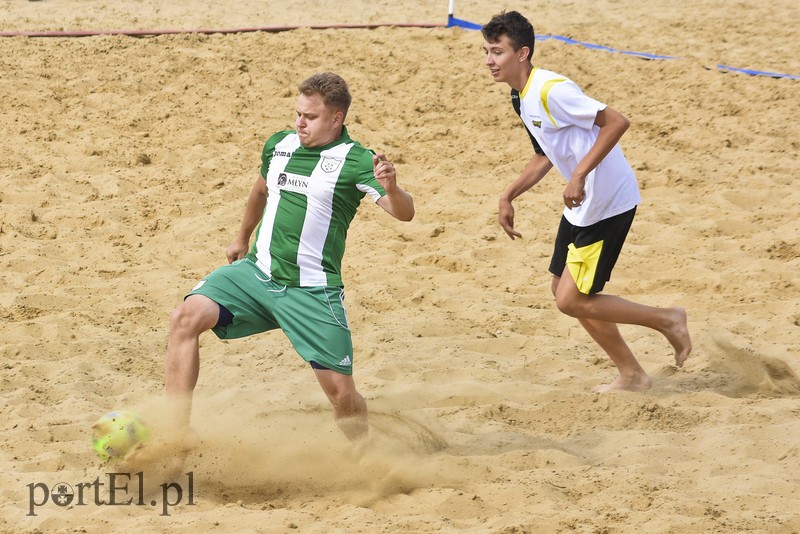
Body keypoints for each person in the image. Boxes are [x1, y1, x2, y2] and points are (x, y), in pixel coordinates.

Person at [163, 72, 415, 443]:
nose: (300, 123)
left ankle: (365, 455)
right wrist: (241, 237)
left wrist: (393, 189)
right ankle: (174, 434)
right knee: (185, 317)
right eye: (298, 113)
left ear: (336, 119)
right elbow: (262, 189)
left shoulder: (357, 160)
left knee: (342, 396)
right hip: (257, 273)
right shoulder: (280, 145)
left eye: (310, 117)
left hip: (311, 290)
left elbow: (404, 213)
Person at [481, 11, 691, 392]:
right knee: (562, 288)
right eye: (486, 51)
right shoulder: (520, 96)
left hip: (607, 199)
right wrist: (509, 194)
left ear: (522, 53)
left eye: (497, 52)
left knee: (570, 299)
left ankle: (668, 319)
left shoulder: (551, 89)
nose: (489, 61)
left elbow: (617, 122)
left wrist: (578, 174)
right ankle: (632, 374)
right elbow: (544, 154)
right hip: (581, 202)